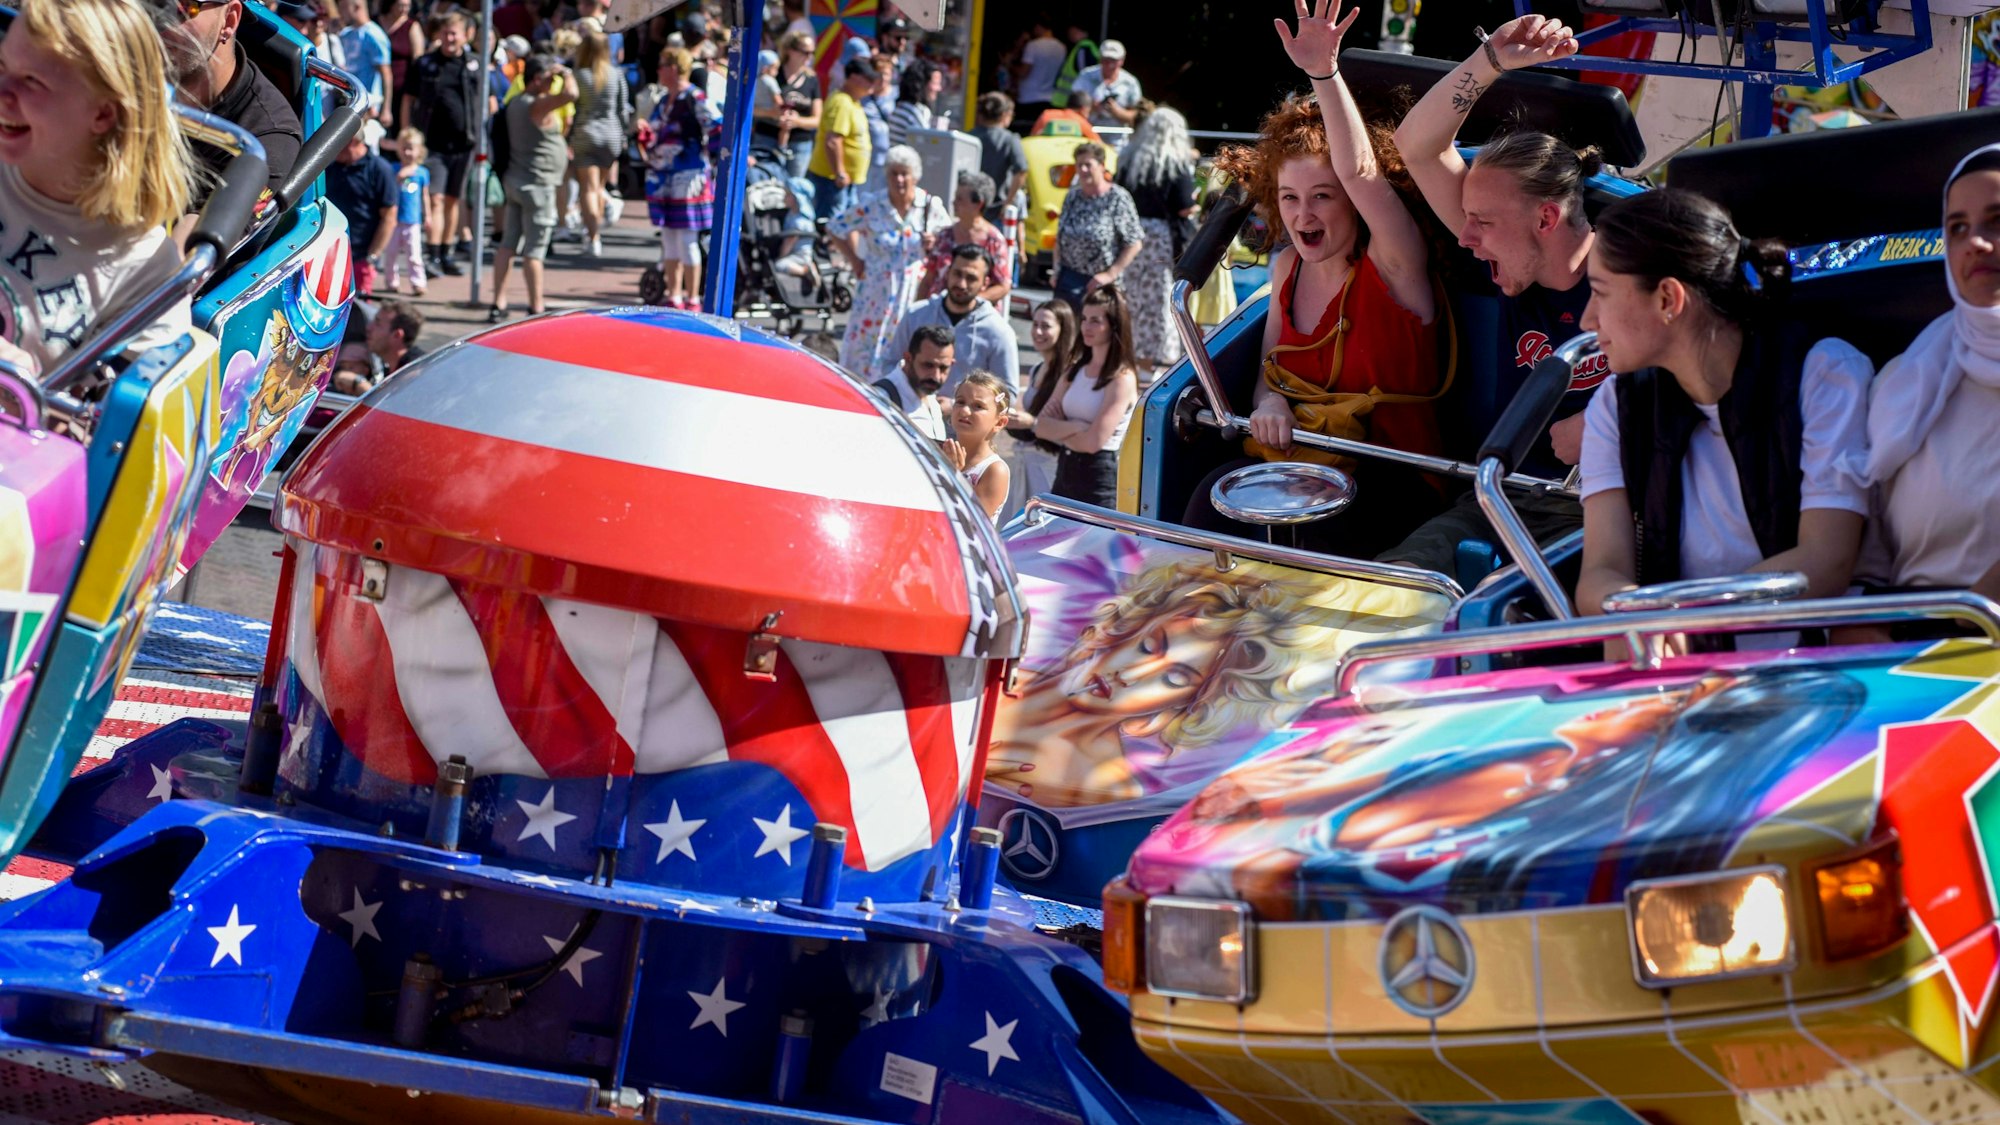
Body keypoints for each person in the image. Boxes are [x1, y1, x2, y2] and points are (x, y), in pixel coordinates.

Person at [1183, 4, 1445, 560]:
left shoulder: (1394, 265)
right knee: (1207, 503)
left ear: (1353, 202)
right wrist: (1270, 407)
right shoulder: (1285, 269)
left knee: (1311, 536)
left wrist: (1324, 73)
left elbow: (1361, 172)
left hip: (1391, 481)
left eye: (1322, 196)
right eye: (1290, 198)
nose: (1304, 215)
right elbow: (1267, 378)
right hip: (1299, 472)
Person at [1573, 189, 1870, 618]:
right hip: (1682, 661)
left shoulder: (1824, 373)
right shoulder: (1615, 406)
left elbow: (1826, 562)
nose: (1587, 319)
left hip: (1814, 659)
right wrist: (1643, 622)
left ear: (1668, 300)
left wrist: (1682, 620)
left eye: (1599, 292)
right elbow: (1600, 574)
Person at [1381, 13, 1607, 575]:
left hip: (1600, 514)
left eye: (1481, 220)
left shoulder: (1634, 279)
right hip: (1499, 501)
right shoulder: (1513, 265)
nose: (1464, 236)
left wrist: (1611, 425)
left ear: (1547, 218)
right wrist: (1492, 62)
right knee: (1395, 581)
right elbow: (1416, 145)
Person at [0, 0, 195, 379]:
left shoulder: (145, 268)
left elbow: (113, 430)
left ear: (103, 114)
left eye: (32, 81)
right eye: (2, 66)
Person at [1855, 146, 2000, 598]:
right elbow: (1868, 572)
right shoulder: (1904, 382)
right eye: (1957, 228)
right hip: (1916, 652)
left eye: (1997, 220)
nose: (1974, 242)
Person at [830, 144, 949, 377]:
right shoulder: (873, 204)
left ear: (915, 176)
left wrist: (933, 243)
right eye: (894, 173)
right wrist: (855, 260)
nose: (899, 179)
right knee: (864, 350)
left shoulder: (929, 206)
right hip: (875, 291)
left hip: (912, 290)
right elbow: (835, 227)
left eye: (905, 173)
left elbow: (948, 241)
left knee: (904, 344)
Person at [175, 0, 302, 200]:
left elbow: (200, 227)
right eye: (151, 4)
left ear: (229, 20)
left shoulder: (265, 139)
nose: (157, 21)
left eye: (183, 7)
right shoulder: (128, 73)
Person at [489, 54, 577, 323]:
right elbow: (571, 94)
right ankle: (535, 306)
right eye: (549, 79)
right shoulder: (535, 105)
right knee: (535, 250)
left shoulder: (515, 103)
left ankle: (498, 302)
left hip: (516, 182)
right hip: (537, 187)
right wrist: (566, 72)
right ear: (538, 80)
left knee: (508, 245)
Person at [1036, 285, 1140, 507]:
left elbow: (1094, 442)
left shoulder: (1121, 378)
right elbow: (1041, 427)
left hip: (1098, 478)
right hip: (1064, 469)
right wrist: (1078, 426)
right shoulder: (1074, 369)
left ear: (1114, 325)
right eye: (1084, 319)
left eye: (1095, 320)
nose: (1086, 326)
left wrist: (1061, 427)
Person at [402, 10, 488, 278]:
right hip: (433, 144)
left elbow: (489, 100)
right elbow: (408, 99)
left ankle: (446, 252)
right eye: (445, 32)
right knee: (436, 199)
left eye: (455, 33)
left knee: (453, 201)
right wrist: (407, 130)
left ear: (466, 36)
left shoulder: (474, 65)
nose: (450, 38)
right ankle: (433, 253)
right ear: (439, 35)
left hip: (464, 144)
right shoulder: (425, 64)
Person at [1115, 105, 1198, 377]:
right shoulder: (1174, 163)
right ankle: (1149, 363)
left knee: (1130, 296)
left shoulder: (1129, 159)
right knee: (1157, 300)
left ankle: (1125, 358)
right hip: (1160, 237)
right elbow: (1184, 206)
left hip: (1131, 233)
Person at [642, 46, 722, 312]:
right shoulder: (664, 99)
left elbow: (716, 125)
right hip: (662, 176)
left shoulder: (695, 97)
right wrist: (646, 136)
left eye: (662, 64)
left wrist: (717, 158)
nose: (658, 70)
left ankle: (692, 298)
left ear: (674, 68)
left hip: (688, 176)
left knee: (687, 238)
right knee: (668, 236)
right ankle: (674, 295)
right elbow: (654, 131)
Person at [888, 244, 1021, 394]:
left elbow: (1007, 392)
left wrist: (958, 406)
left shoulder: (998, 331)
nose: (961, 283)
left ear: (985, 283)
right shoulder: (916, 314)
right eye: (957, 274)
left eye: (971, 278)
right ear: (948, 273)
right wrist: (914, 400)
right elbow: (890, 364)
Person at [1004, 300, 1080, 513]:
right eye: (1035, 324)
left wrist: (1031, 422)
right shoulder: (1038, 368)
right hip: (1026, 462)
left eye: (1045, 326)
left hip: (1048, 469)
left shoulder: (1070, 373)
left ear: (1063, 329)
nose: (1037, 331)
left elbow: (1057, 424)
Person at [1053, 142, 1142, 314]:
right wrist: (1056, 270)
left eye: (1088, 164)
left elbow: (1134, 243)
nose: (1084, 169)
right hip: (1068, 279)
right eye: (1080, 165)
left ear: (1101, 167)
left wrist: (1110, 274)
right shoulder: (1072, 197)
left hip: (1101, 284)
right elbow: (1060, 237)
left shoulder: (1117, 198)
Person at [570, 30, 631, 259]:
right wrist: (624, 134)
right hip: (611, 134)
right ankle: (595, 227)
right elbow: (622, 108)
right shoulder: (615, 75)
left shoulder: (579, 75)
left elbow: (573, 108)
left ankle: (593, 235)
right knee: (599, 187)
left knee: (588, 188)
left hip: (586, 132)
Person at [920, 172, 1012, 306]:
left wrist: (967, 303)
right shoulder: (945, 236)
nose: (953, 202)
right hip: (938, 314)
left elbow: (1003, 286)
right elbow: (928, 279)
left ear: (978, 204)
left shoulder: (994, 241)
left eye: (960, 199)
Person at [323, 133, 397, 299]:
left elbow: (389, 217)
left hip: (361, 256)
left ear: (352, 142)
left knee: (358, 312)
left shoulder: (379, 169)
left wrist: (372, 257)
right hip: (330, 254)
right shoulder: (332, 168)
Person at [808, 58, 874, 225]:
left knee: (843, 226)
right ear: (852, 77)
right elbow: (833, 141)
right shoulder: (842, 102)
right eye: (868, 78)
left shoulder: (853, 102)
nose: (872, 83)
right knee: (831, 226)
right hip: (832, 180)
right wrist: (840, 173)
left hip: (841, 181)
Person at [944, 371, 1014, 522]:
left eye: (978, 406)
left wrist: (953, 475)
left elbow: (971, 522)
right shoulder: (939, 450)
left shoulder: (994, 470)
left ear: (1000, 422)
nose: (964, 411)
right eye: (960, 402)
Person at [871, 324, 954, 442]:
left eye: (943, 368)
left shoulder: (929, 394)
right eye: (928, 365)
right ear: (908, 358)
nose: (936, 376)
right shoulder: (882, 399)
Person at [754, 31, 821, 178]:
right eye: (806, 52)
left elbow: (817, 120)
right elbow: (751, 109)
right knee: (764, 185)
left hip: (799, 143)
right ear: (790, 50)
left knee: (792, 189)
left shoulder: (812, 80)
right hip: (767, 137)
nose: (810, 57)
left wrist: (797, 121)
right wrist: (771, 113)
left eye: (812, 52)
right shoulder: (772, 73)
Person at [386, 128, 429, 297]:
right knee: (391, 254)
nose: (408, 152)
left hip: (413, 221)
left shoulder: (422, 172)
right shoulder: (393, 168)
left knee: (414, 255)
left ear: (419, 150)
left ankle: (418, 283)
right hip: (395, 220)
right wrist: (399, 176)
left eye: (411, 148)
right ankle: (391, 281)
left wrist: (428, 216)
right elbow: (388, 190)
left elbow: (425, 196)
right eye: (404, 148)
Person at [974, 92, 1029, 223]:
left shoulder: (969, 137)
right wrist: (1008, 203)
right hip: (997, 212)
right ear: (1005, 115)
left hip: (971, 208)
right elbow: (1021, 170)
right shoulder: (1009, 139)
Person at [336, 0, 393, 124]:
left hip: (368, 106)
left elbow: (386, 73)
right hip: (349, 102)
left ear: (357, 7)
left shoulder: (374, 34)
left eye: (344, 8)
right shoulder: (346, 34)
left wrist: (386, 109)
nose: (340, 13)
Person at [1070, 40, 1141, 129]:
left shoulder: (1130, 82)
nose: (1109, 64)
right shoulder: (1086, 76)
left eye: (1114, 60)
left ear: (1122, 61)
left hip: (1118, 138)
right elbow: (1072, 108)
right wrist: (1092, 107)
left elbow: (1136, 115)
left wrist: (1117, 112)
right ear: (1100, 58)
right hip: (1088, 134)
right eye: (1106, 60)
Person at [1013, 17, 1066, 130]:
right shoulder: (1062, 47)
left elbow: (1024, 72)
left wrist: (1009, 66)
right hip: (1050, 98)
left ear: (1038, 27)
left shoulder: (1033, 45)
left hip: (1028, 97)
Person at [381, 0, 425, 132]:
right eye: (401, 5)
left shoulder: (412, 26)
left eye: (407, 6)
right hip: (377, 87)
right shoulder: (377, 22)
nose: (404, 9)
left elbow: (418, 59)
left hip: (401, 90)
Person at [860, 55, 896, 190]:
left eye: (887, 74)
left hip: (891, 162)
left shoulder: (898, 96)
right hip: (868, 162)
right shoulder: (863, 98)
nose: (883, 78)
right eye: (879, 74)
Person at [887, 60, 941, 148]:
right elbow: (927, 147)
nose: (939, 88)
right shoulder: (917, 112)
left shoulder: (899, 107)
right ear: (922, 84)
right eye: (935, 83)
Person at [1052, 21, 1100, 112]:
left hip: (1073, 100)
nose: (1069, 34)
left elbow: (1085, 74)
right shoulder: (1083, 47)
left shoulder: (1084, 47)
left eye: (1072, 31)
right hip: (1071, 100)